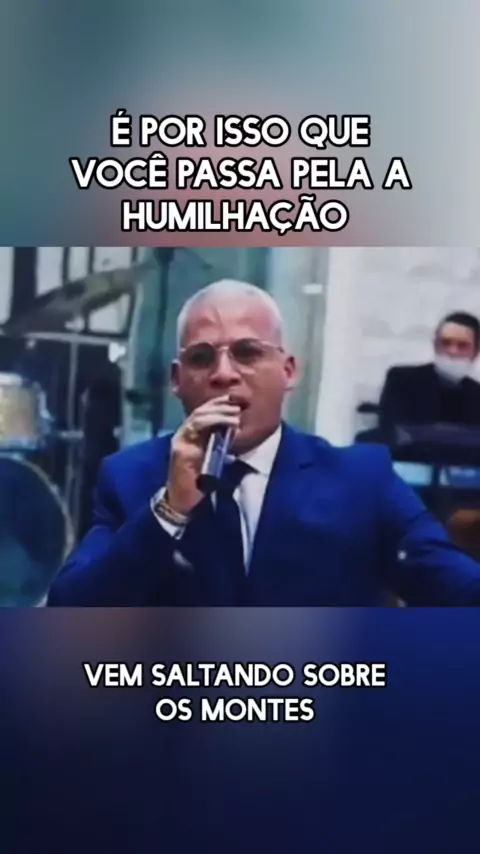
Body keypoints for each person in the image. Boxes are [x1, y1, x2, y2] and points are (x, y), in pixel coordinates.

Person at [47, 283, 480, 607]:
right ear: (177, 381)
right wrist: (169, 510)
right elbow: (71, 609)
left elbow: (455, 587)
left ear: (288, 371)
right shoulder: (129, 477)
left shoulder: (361, 480)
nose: (223, 374)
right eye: (201, 358)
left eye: (247, 352)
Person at [379, 312, 480, 442]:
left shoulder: (477, 394)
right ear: (435, 345)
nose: (452, 351)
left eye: (462, 345)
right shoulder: (402, 380)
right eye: (445, 342)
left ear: (475, 352)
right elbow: (392, 433)